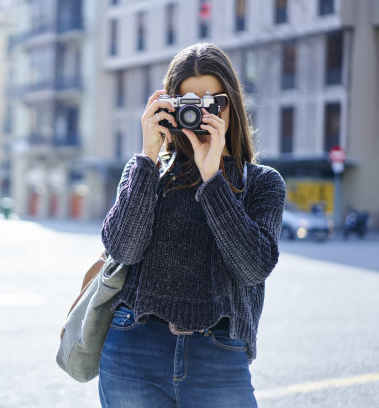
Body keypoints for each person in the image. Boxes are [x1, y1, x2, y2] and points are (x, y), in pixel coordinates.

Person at [99, 43, 286, 408]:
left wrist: (212, 176)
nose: (201, 114)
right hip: (133, 348)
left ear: (232, 103)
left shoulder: (262, 183)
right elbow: (122, 249)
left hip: (218, 353)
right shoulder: (146, 172)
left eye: (213, 102)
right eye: (189, 103)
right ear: (169, 106)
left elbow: (253, 268)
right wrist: (149, 155)